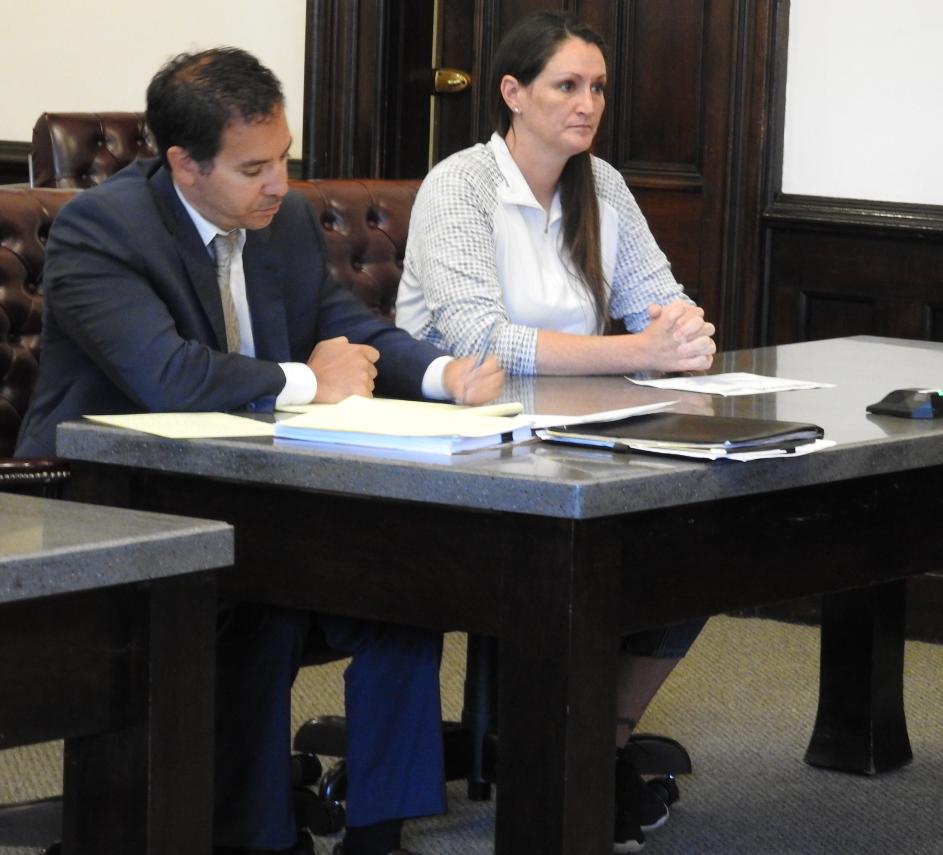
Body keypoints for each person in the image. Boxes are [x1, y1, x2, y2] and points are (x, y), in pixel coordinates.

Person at [16, 48, 503, 855]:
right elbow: (164, 372)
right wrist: (306, 381)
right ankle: (254, 836)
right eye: (255, 167)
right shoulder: (102, 228)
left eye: (284, 158)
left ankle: (378, 835)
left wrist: (446, 373)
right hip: (114, 506)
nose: (280, 181)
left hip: (265, 494)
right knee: (261, 607)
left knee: (405, 595)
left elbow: (350, 326)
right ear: (183, 163)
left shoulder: (278, 224)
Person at [395, 11, 716, 854]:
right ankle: (573, 755)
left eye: (597, 88)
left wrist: (677, 328)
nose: (587, 104)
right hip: (459, 443)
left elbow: (657, 293)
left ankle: (598, 743)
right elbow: (482, 341)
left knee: (699, 539)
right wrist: (639, 347)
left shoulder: (599, 184)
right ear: (512, 94)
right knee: (598, 562)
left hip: (575, 432)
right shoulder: (459, 185)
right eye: (566, 86)